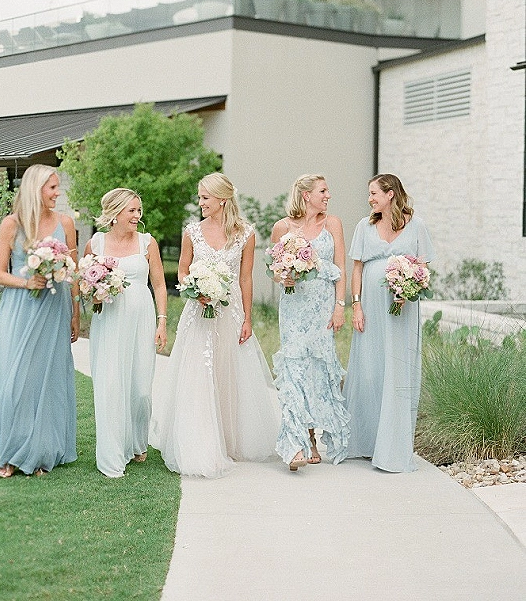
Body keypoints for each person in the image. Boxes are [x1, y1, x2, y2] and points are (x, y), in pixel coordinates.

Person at [155, 172, 278, 478]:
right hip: (198, 312)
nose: (200, 202)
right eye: (200, 197)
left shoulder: (246, 234)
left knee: (228, 372)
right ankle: (199, 444)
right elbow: (182, 270)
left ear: (222, 199)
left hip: (230, 312)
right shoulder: (192, 232)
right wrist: (195, 288)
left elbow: (245, 278)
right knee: (198, 372)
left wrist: (247, 318)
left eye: (205, 197)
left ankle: (227, 439)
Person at [0, 164, 79, 478]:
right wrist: (27, 282)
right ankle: (9, 453)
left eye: (57, 187)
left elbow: (73, 272)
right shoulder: (12, 224)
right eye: (52, 187)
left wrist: (76, 313)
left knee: (47, 380)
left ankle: (40, 453)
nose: (57, 193)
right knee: (15, 380)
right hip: (20, 308)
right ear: (36, 189)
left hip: (55, 308)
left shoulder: (66, 223)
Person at [344, 173, 435, 473]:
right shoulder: (364, 225)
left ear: (390, 194)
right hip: (371, 308)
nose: (369, 199)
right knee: (370, 370)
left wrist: (409, 289)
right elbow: (357, 268)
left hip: (402, 310)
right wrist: (356, 304)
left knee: (397, 369)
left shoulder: (416, 225)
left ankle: (392, 448)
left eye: (374, 193)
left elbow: (423, 267)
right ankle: (367, 441)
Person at [85, 188, 167, 478]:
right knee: (110, 384)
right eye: (132, 210)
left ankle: (137, 441)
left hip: (141, 317)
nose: (137, 216)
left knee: (140, 388)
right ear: (115, 213)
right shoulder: (96, 243)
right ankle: (112, 452)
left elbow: (159, 284)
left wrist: (162, 321)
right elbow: (84, 285)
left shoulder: (147, 242)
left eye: (138, 210)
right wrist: (94, 294)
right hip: (109, 320)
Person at [271, 174, 350, 471]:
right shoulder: (282, 227)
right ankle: (297, 442)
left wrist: (340, 306)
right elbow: (274, 270)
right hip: (294, 307)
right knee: (295, 370)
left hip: (323, 308)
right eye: (323, 191)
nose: (328, 196)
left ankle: (313, 434)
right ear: (306, 195)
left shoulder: (333, 224)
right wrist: (284, 277)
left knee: (318, 370)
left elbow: (341, 268)